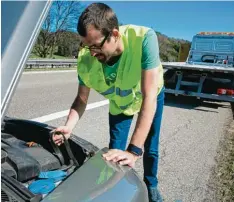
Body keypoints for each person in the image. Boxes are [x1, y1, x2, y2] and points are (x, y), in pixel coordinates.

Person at [53, 2, 164, 202]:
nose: (92, 53)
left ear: (114, 34)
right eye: (86, 46)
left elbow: (149, 98)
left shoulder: (144, 39)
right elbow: (81, 99)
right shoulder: (86, 58)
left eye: (96, 45)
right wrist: (69, 126)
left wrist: (133, 151)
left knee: (150, 147)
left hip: (150, 96)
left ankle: (151, 186)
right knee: (112, 156)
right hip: (120, 104)